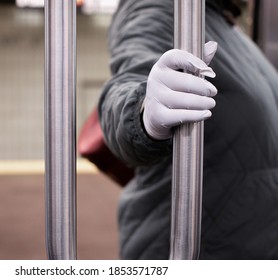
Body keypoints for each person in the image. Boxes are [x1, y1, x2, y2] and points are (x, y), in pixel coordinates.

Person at [98, 0, 278, 259]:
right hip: (187, 250)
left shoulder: (228, 27)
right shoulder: (162, 9)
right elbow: (125, 85)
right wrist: (143, 111)